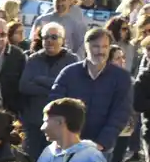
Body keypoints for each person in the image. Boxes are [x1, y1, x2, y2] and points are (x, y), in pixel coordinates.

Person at [49, 26, 133, 155]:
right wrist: (65, 137)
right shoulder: (69, 73)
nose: (100, 51)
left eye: (105, 47)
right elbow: (55, 105)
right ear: (86, 47)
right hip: (68, 145)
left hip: (100, 149)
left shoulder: (121, 78)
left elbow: (120, 113)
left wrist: (101, 143)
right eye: (96, 46)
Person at [19, 23, 77, 158]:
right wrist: (54, 87)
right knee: (32, 159)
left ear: (63, 40)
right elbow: (24, 86)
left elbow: (71, 88)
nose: (49, 41)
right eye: (46, 37)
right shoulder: (34, 59)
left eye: (54, 37)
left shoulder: (72, 60)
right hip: (34, 121)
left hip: (60, 123)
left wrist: (40, 79)